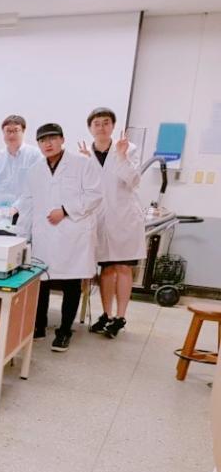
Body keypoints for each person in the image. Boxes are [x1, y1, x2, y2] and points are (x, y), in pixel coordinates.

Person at [17, 123, 102, 352]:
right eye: (43, 140)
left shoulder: (82, 164)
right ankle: (39, 326)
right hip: (44, 235)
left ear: (62, 139)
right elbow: (27, 203)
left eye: (52, 138)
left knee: (71, 282)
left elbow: (95, 195)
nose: (48, 144)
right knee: (41, 281)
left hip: (73, 233)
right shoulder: (35, 170)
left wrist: (65, 210)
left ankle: (64, 330)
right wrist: (21, 235)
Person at [80, 107, 144, 339]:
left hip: (124, 217)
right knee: (106, 269)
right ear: (90, 128)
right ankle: (106, 314)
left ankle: (120, 317)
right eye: (97, 124)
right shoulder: (85, 153)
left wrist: (123, 156)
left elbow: (134, 180)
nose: (102, 127)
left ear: (113, 126)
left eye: (106, 123)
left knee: (123, 267)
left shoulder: (128, 148)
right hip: (99, 219)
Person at [0, 114, 43, 213]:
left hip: (25, 213)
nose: (11, 135)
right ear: (3, 133)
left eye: (16, 130)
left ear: (23, 131)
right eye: (8, 131)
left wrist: (16, 208)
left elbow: (36, 187)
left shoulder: (35, 156)